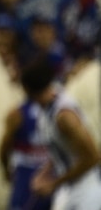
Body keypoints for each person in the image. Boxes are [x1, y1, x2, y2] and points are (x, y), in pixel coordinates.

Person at [20, 58, 101, 210]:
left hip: (88, 189)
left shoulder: (64, 116)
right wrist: (44, 173)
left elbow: (93, 157)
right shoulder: (45, 107)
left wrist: (54, 183)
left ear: (29, 91)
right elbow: (62, 148)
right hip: (68, 188)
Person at [0, 98, 52, 210]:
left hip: (26, 177)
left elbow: (3, 149)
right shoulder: (63, 109)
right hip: (53, 176)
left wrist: (6, 170)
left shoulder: (17, 114)